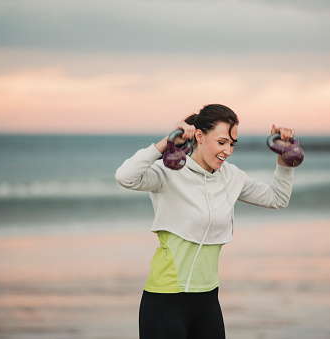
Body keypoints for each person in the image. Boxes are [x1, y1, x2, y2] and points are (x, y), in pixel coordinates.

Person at [115, 104, 295, 339]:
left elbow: (277, 198)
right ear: (199, 136)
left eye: (232, 144)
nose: (228, 151)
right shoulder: (169, 171)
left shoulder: (231, 176)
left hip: (208, 302)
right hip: (165, 301)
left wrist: (284, 158)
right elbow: (124, 177)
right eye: (221, 142)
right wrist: (165, 144)